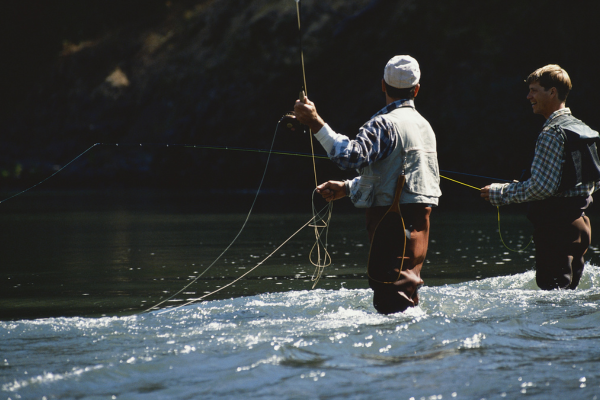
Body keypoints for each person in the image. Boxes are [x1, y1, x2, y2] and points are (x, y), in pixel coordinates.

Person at [294, 55, 441, 314]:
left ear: (383, 85)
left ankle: (401, 351)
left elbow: (349, 156)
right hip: (419, 223)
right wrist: (348, 188)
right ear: (416, 89)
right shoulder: (425, 127)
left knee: (391, 296)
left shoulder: (384, 124)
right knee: (406, 291)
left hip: (390, 220)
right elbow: (396, 175)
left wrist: (315, 123)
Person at [481, 64, 600, 290]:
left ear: (552, 92)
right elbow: (594, 181)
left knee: (552, 301)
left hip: (556, 230)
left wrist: (500, 192)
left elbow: (542, 188)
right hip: (581, 226)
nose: (528, 96)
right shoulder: (583, 129)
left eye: (534, 90)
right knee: (569, 297)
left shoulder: (552, 132)